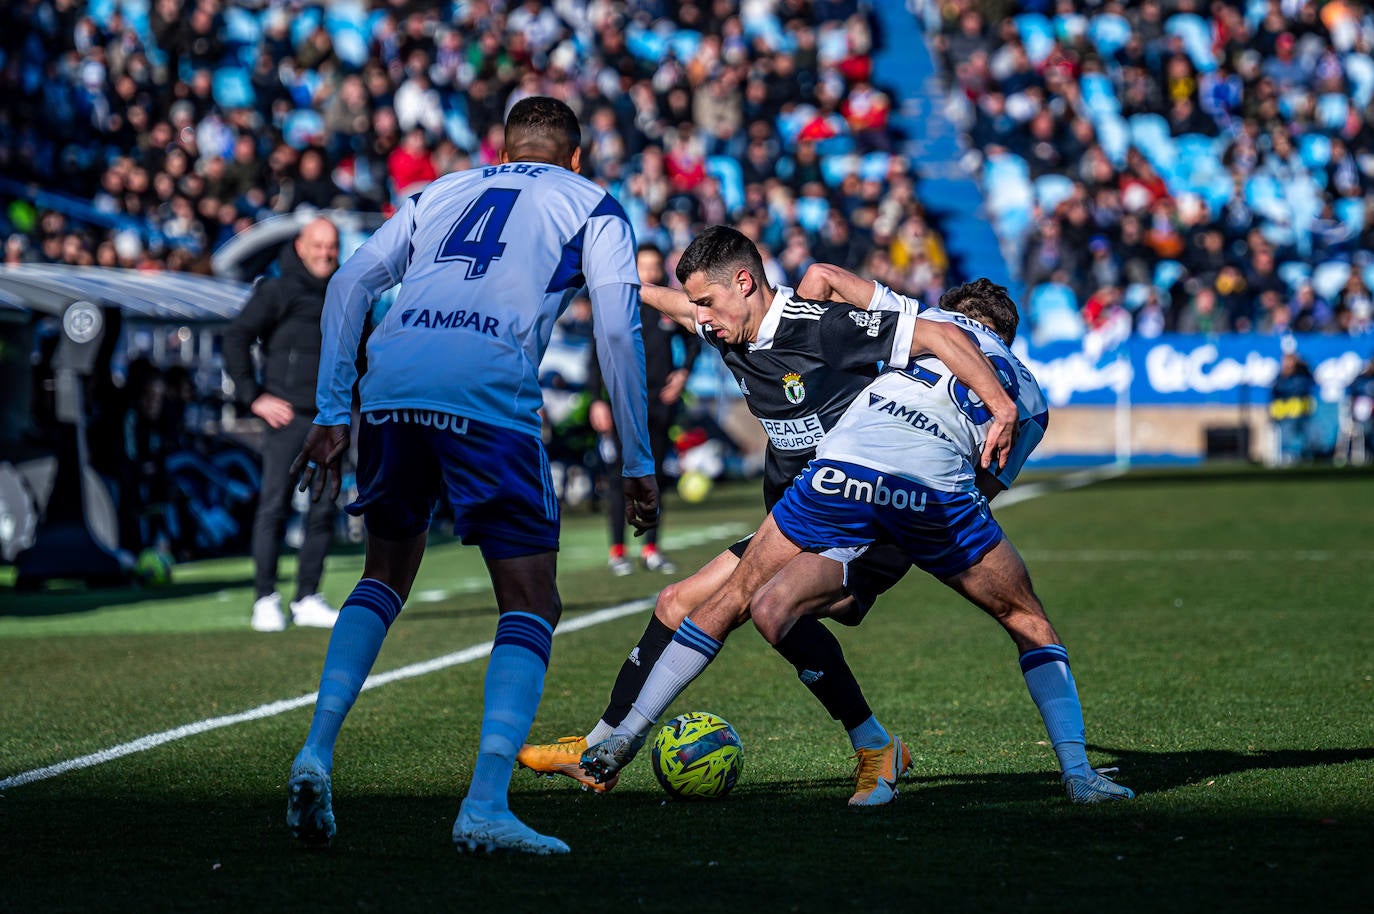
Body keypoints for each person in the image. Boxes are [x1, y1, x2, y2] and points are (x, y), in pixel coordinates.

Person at [581, 275, 1137, 806]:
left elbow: (820, 275)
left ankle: (624, 736)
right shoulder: (1029, 393)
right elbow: (982, 484)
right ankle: (1078, 774)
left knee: (738, 601)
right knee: (1027, 620)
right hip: (932, 495)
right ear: (1006, 337)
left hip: (840, 471)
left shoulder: (922, 319)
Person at [517, 228, 1017, 806]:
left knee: (768, 608)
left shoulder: (821, 327)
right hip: (797, 517)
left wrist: (1002, 408)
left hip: (861, 515)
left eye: (708, 304)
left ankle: (875, 746)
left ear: (745, 284)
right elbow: (675, 303)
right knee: (674, 603)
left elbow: (937, 333)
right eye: (698, 306)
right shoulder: (730, 329)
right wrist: (605, 282)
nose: (701, 319)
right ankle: (598, 751)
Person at [286, 97, 658, 856]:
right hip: (489, 392)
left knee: (384, 572)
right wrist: (639, 458)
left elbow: (351, 282)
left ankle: (316, 750)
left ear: (502, 149)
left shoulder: (437, 191)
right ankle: (485, 802)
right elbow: (619, 329)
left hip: (391, 384)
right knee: (529, 597)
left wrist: (331, 409)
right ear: (577, 158)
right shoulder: (593, 205)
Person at [222, 216, 343, 632]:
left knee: (324, 509)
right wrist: (252, 396)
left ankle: (307, 596)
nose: (325, 253)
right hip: (286, 417)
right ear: (300, 246)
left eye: (332, 246)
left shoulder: (346, 292)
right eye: (318, 245)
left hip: (330, 420)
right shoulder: (276, 290)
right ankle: (265, 598)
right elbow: (236, 337)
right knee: (273, 506)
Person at [586, 243, 700, 576]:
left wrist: (683, 373)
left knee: (655, 476)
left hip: (660, 402)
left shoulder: (668, 303)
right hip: (623, 402)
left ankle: (651, 548)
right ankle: (617, 551)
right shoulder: (617, 304)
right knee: (620, 475)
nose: (648, 272)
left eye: (654, 266)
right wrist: (597, 400)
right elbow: (596, 356)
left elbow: (695, 337)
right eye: (643, 266)